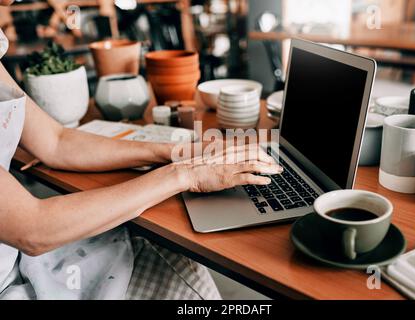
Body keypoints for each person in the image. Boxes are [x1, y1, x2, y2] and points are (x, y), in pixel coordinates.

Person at [0, 0, 281, 300]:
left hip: (18, 258)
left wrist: (176, 151)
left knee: (175, 261)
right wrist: (187, 175)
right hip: (12, 275)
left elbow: (56, 142)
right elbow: (34, 230)